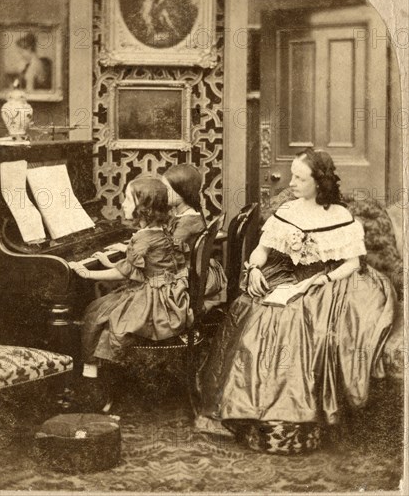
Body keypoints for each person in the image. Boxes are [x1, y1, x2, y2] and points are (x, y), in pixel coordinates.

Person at [196, 149, 395, 454]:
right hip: (287, 275)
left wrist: (317, 282)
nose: (292, 183)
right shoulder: (288, 209)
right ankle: (251, 412)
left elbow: (353, 264)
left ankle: (291, 418)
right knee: (258, 309)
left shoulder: (340, 216)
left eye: (300, 178)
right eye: (292, 176)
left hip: (329, 280)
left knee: (294, 319)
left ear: (320, 182)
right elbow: (262, 249)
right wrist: (255, 268)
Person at [70, 177, 192, 379]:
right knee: (102, 308)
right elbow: (147, 264)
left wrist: (88, 273)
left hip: (154, 301)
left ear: (144, 208)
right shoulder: (163, 229)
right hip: (169, 293)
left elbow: (124, 272)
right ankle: (93, 368)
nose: (122, 203)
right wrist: (111, 262)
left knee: (96, 312)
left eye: (127, 199)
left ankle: (92, 371)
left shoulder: (142, 238)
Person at [161, 164, 227, 311]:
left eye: (166, 189)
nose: (162, 193)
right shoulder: (188, 214)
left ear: (181, 192)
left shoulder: (188, 221)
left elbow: (165, 253)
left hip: (186, 280)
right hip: (188, 274)